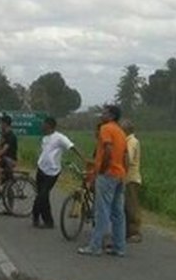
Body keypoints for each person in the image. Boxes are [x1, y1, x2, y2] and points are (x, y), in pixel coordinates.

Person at [78, 105, 129, 257]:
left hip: (107, 175)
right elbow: (126, 156)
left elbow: (107, 150)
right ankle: (119, 247)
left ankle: (95, 246)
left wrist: (101, 170)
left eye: (105, 112)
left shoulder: (106, 128)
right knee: (118, 213)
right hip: (119, 174)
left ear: (112, 116)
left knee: (101, 211)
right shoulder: (120, 131)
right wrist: (123, 173)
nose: (102, 114)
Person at [33, 116, 86, 229]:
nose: (42, 126)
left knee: (42, 195)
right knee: (41, 195)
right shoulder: (45, 138)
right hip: (41, 169)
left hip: (52, 172)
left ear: (50, 125)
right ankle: (40, 218)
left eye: (44, 124)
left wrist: (83, 158)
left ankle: (44, 219)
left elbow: (72, 147)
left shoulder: (59, 137)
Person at [123, 119, 143, 243]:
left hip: (130, 178)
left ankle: (134, 232)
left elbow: (128, 159)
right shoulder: (128, 141)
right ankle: (127, 232)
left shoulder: (131, 142)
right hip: (127, 177)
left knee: (131, 207)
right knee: (126, 206)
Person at [0, 114, 19, 191]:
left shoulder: (11, 135)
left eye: (1, 123)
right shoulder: (4, 134)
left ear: (5, 124)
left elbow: (4, 149)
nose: (0, 125)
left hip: (11, 160)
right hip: (4, 159)